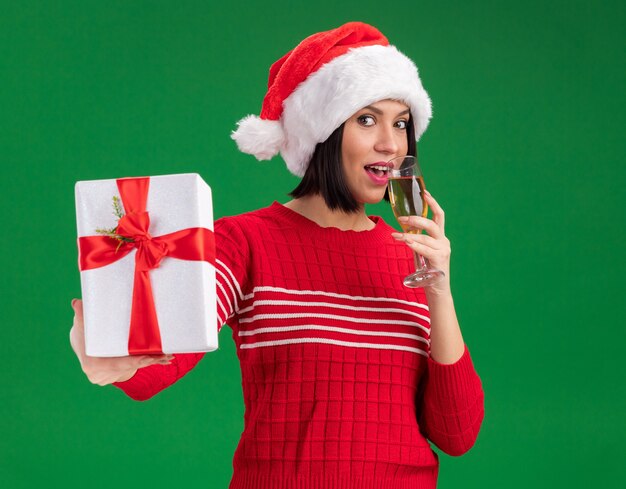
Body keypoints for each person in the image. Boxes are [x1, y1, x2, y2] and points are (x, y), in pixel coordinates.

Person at [70, 22, 484, 489]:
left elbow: (456, 433)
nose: (390, 143)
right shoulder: (245, 241)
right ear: (323, 132)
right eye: (366, 119)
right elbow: (155, 366)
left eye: (401, 122)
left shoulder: (409, 256)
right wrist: (110, 354)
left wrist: (439, 291)